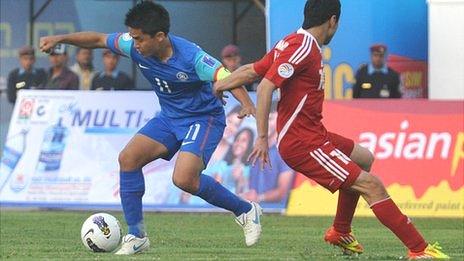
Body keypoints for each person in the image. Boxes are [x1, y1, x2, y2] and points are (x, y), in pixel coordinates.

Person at [214, 0, 448, 259]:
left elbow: (250, 71)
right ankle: (419, 250)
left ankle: (340, 230)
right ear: (333, 20)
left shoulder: (293, 42)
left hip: (315, 133)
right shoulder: (302, 47)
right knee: (372, 186)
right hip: (302, 142)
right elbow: (266, 86)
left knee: (364, 158)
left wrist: (219, 85)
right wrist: (261, 137)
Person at [39, 1, 261, 255]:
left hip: (203, 118)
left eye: (139, 39)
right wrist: (61, 38)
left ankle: (245, 210)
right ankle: (137, 235)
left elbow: (227, 76)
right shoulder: (134, 45)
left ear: (160, 36)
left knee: (184, 179)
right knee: (128, 158)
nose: (134, 44)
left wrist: (245, 103)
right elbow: (99, 39)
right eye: (132, 37)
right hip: (169, 117)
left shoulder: (192, 57)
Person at [243, 103, 294, 204]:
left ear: (280, 121)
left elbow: (282, 192)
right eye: (262, 119)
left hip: (277, 212)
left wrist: (259, 198)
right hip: (252, 210)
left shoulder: (285, 151)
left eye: (269, 119)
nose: (264, 123)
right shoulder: (255, 150)